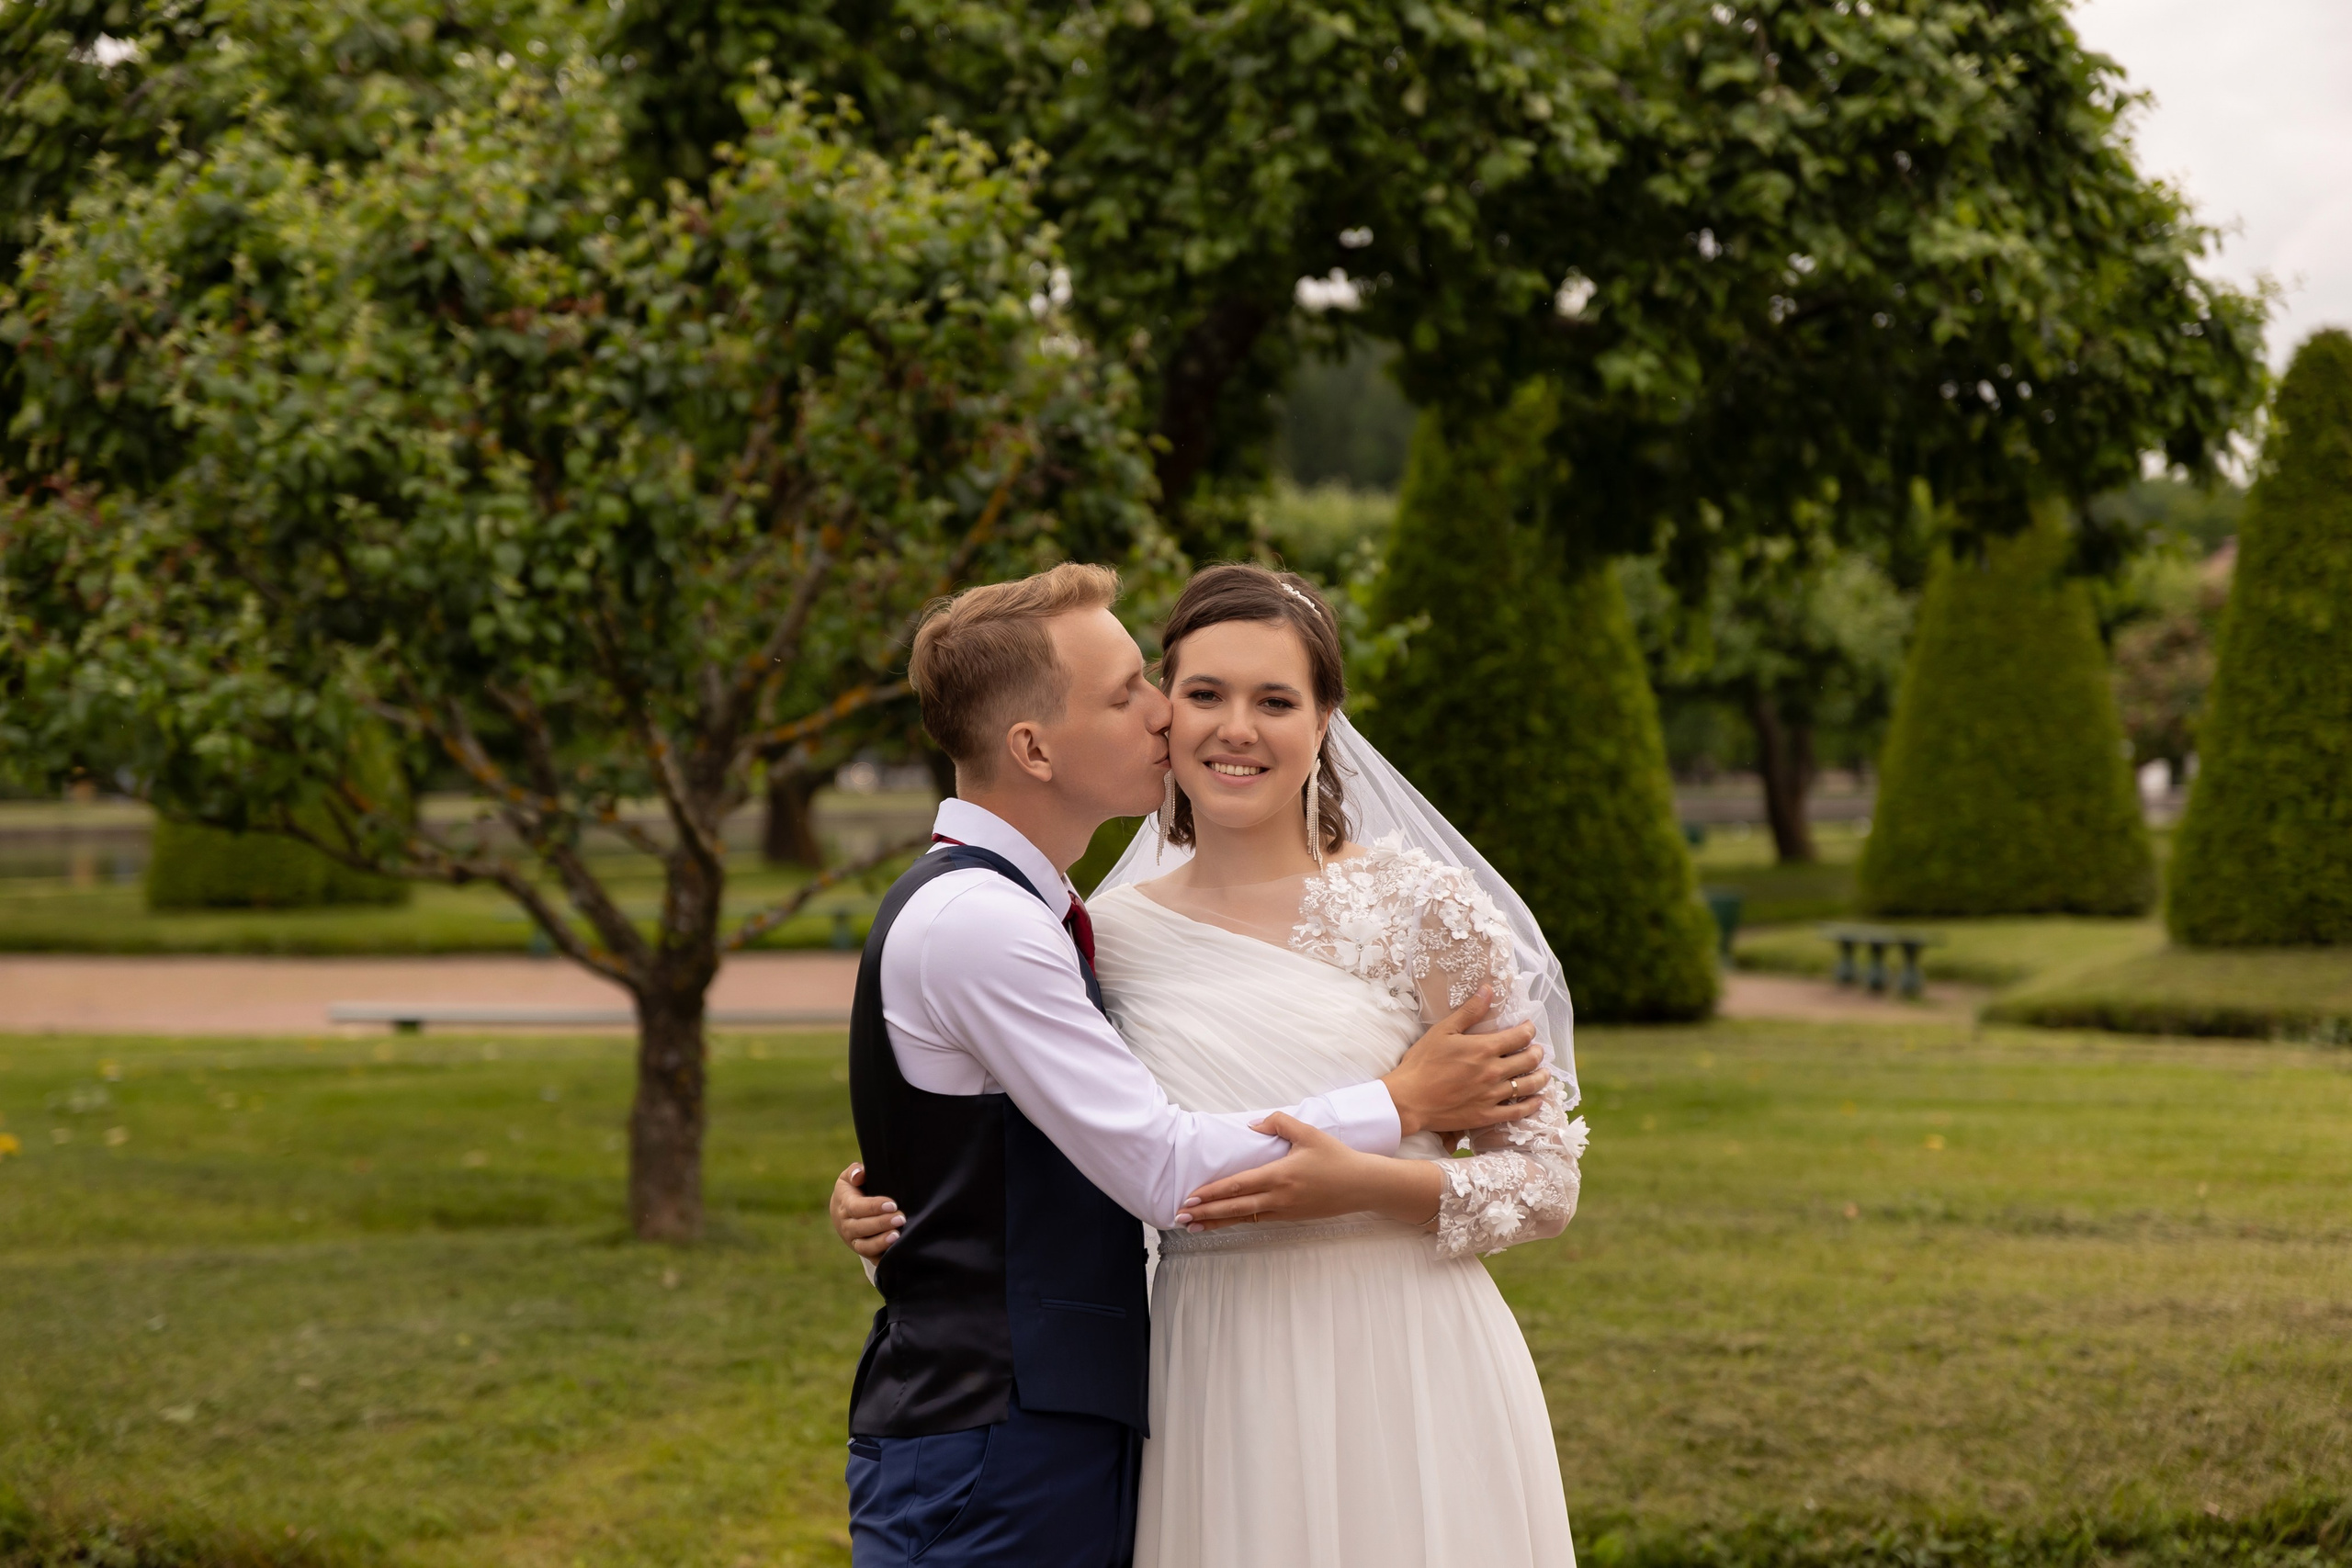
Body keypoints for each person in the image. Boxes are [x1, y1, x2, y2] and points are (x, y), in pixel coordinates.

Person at [834, 563, 1553, 1568]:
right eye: (1190, 692)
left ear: (1325, 718)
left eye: (1275, 700)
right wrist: (899, 1197)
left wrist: (1376, 1187)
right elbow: (1099, 1141)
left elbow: (1545, 1180)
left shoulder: (1425, 913)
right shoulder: (1097, 936)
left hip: (1408, 1354)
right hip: (1209, 1368)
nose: (1227, 727)